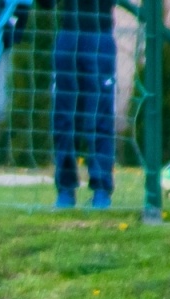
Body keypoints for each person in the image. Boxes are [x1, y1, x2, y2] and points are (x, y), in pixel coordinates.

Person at [43, 0, 117, 208]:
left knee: (99, 117)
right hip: (68, 35)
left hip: (99, 35)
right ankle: (65, 190)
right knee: (64, 118)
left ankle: (101, 190)